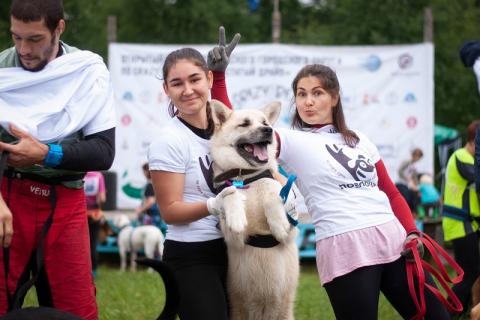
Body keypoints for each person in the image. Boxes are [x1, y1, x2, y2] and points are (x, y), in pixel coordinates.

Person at [217, 63, 452, 319]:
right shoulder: (292, 141)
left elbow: (391, 193)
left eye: (317, 93)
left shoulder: (360, 139)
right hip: (345, 248)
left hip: (395, 241)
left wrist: (412, 232)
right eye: (301, 94)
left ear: (334, 97)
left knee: (438, 317)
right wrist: (218, 78)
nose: (308, 101)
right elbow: (235, 126)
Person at [0, 0, 115, 318]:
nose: (23, 48)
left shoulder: (87, 71)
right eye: (16, 36)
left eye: (34, 38)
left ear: (58, 28)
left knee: (76, 311)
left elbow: (104, 152)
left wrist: (46, 154)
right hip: (7, 201)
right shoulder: (2, 70)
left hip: (65, 202)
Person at [148, 29, 241, 320]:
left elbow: (253, 159)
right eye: (177, 83)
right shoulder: (169, 140)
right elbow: (171, 211)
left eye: (195, 79)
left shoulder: (224, 128)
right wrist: (213, 205)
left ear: (209, 79)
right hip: (192, 255)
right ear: (166, 89)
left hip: (236, 249)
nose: (187, 90)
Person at [442, 120, 480, 312]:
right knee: (470, 272)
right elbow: (476, 176)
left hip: (467, 223)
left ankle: (461, 309)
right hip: (459, 223)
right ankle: (448, 311)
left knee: (470, 271)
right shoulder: (462, 157)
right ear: (474, 142)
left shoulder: (467, 157)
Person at [84, 171, 106, 278]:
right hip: (95, 214)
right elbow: (102, 198)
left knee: (81, 243)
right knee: (93, 242)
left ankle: (82, 269)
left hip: (81, 212)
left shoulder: (80, 173)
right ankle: (94, 271)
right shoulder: (98, 176)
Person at [135, 163, 167, 235]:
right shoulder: (157, 183)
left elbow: (151, 201)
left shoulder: (150, 185)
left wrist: (140, 210)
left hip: (151, 217)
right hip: (158, 216)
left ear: (147, 171)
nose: (143, 173)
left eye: (144, 171)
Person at [397, 148, 423, 215]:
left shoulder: (414, 165)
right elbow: (400, 171)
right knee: (407, 198)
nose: (418, 159)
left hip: (408, 185)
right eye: (418, 157)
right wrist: (407, 179)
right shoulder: (407, 162)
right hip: (401, 184)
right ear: (414, 155)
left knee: (416, 197)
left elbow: (415, 177)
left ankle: (413, 214)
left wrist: (417, 187)